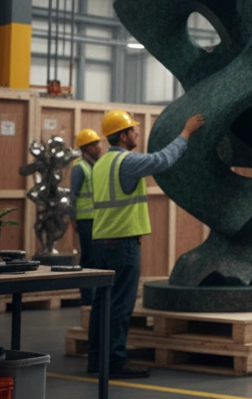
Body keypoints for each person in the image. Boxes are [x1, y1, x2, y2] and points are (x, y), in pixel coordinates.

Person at [87, 109, 204, 378]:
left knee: (101, 305)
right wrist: (186, 133)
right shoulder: (126, 162)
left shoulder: (102, 164)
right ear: (123, 135)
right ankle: (115, 362)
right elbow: (162, 160)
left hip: (100, 241)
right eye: (133, 130)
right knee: (120, 305)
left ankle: (96, 360)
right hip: (122, 244)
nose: (137, 133)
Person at [71, 128, 104, 305]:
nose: (100, 146)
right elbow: (73, 196)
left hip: (98, 219)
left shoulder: (97, 165)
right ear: (87, 148)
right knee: (88, 259)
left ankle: (95, 296)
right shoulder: (80, 167)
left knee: (98, 258)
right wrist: (73, 219)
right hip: (85, 220)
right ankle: (87, 299)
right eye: (96, 144)